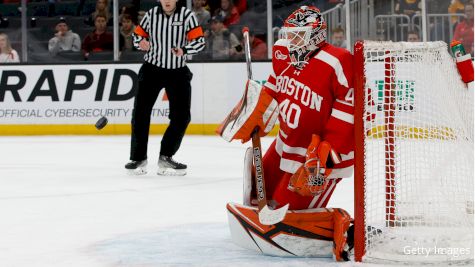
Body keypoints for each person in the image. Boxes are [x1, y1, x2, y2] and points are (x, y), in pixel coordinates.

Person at [218, 5, 354, 261]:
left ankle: (342, 224)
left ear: (315, 36)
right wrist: (255, 112)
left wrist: (326, 157)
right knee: (259, 197)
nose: (291, 39)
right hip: (286, 145)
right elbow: (273, 89)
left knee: (284, 214)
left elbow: (349, 111)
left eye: (297, 35)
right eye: (289, 33)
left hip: (317, 158)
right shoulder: (283, 53)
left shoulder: (338, 60)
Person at [125, 0, 205, 175]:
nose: (167, 1)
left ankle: (166, 156)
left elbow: (199, 42)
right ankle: (139, 158)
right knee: (140, 114)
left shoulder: (187, 16)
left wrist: (184, 49)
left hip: (178, 71)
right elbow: (137, 36)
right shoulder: (151, 15)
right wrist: (141, 43)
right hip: (151, 70)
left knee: (182, 116)